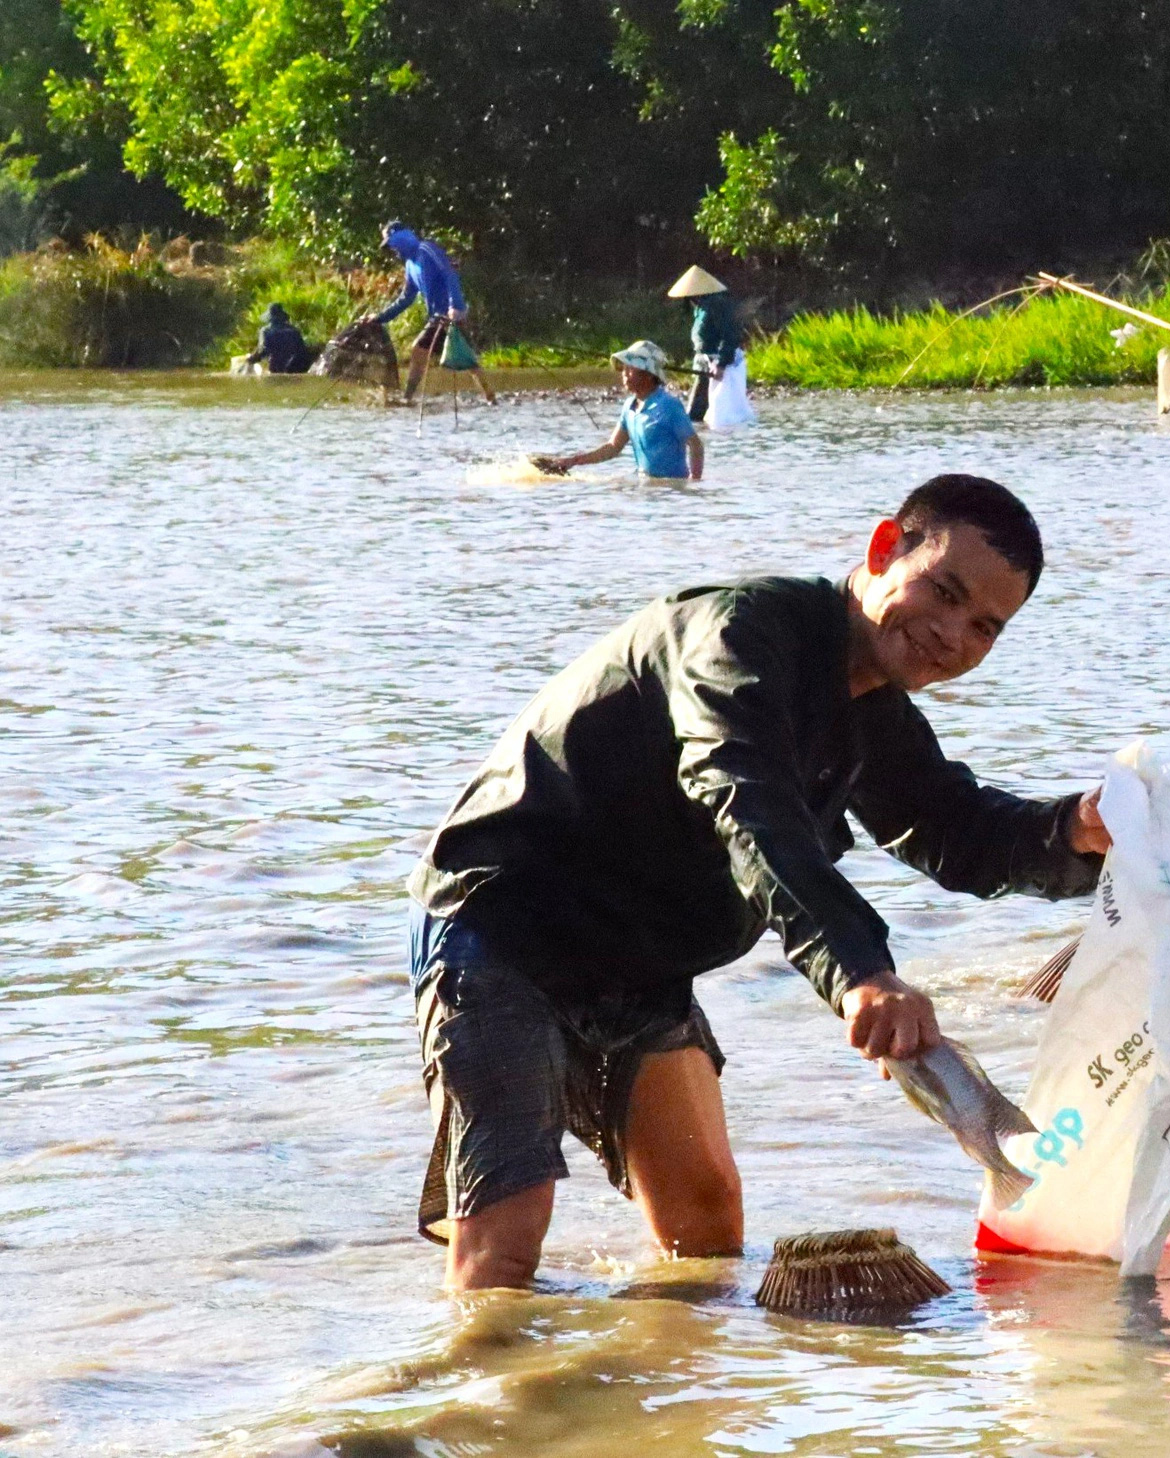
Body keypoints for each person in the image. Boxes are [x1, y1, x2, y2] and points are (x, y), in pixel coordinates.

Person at [406, 475, 1112, 1289]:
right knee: (504, 1252)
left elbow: (955, 831)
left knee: (704, 1234)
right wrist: (861, 974)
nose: (952, 635)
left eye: (985, 627)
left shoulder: (871, 704)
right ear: (885, 550)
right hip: (507, 927)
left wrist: (1074, 830)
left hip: (638, 965)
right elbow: (750, 807)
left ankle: (656, 1396)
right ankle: (478, 1405)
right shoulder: (740, 639)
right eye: (943, 593)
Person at [537, 341, 703, 481]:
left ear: (648, 374)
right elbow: (613, 447)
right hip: (644, 483)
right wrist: (572, 461)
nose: (624, 374)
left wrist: (693, 482)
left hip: (671, 487)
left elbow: (695, 445)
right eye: (624, 369)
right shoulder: (630, 406)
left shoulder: (668, 405)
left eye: (630, 369)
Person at [371, 221, 497, 405]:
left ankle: (408, 397)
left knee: (420, 349)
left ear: (400, 238)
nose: (393, 251)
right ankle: (491, 398)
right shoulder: (409, 265)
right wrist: (380, 318)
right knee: (467, 359)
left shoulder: (426, 249)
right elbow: (406, 298)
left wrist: (455, 307)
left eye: (392, 245)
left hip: (449, 313)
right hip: (438, 316)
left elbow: (449, 274)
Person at [668, 265, 747, 424]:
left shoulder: (716, 304)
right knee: (701, 412)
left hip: (713, 364)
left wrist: (721, 364)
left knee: (697, 412)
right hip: (703, 364)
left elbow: (730, 335)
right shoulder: (700, 307)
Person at [243, 303, 315, 374]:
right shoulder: (294, 331)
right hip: (295, 367)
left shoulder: (266, 331)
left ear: (270, 318)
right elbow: (302, 350)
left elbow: (263, 351)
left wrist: (250, 360)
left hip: (276, 368)